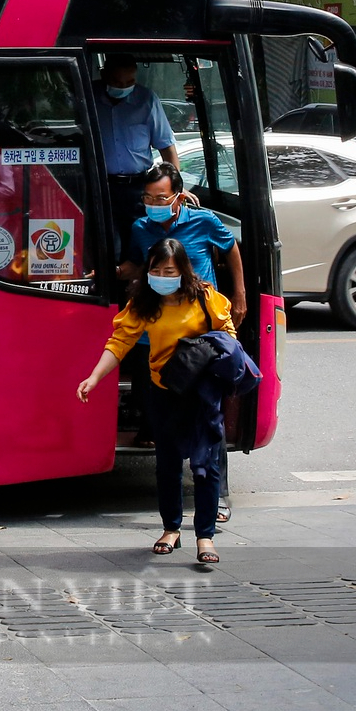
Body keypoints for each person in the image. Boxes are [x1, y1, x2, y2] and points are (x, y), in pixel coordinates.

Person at [78, 238, 233, 566]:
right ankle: (171, 529)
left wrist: (207, 356)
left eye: (169, 271)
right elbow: (120, 341)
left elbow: (227, 332)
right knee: (168, 465)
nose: (162, 276)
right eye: (156, 270)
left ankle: (205, 535)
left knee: (206, 465)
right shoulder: (144, 302)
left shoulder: (204, 297)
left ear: (183, 271)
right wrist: (94, 377)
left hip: (203, 393)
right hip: (164, 391)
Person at [121, 162, 246, 522]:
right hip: (155, 336)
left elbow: (231, 248)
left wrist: (239, 294)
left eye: (160, 197)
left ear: (177, 196)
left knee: (209, 420)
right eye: (147, 196)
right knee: (163, 419)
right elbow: (137, 264)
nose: (153, 203)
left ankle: (218, 497)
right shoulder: (140, 227)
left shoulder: (203, 220)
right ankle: (172, 514)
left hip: (199, 340)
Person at [95, 54, 178, 265]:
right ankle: (113, 295)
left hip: (139, 187)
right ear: (104, 75)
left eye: (130, 82)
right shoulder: (89, 97)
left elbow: (167, 148)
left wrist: (175, 189)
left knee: (143, 246)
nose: (124, 87)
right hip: (101, 186)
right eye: (117, 82)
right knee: (108, 248)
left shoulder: (146, 100)